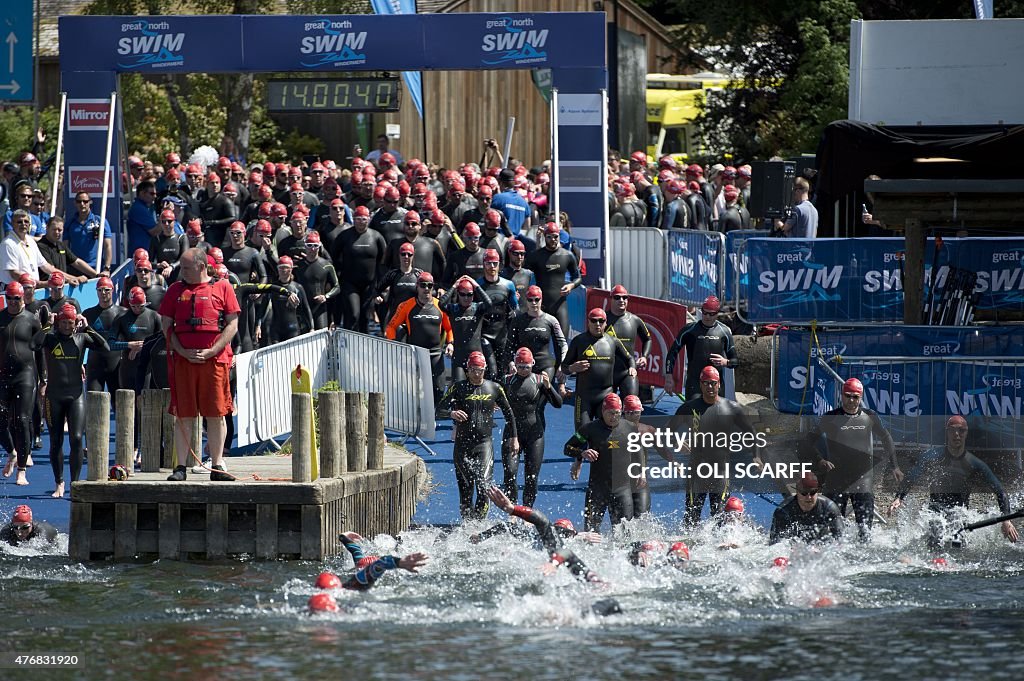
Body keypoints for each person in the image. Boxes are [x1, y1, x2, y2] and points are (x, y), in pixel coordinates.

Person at [158, 248, 240, 482]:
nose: (180, 272)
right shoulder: (175, 290)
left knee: (216, 413)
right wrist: (182, 351)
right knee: (183, 414)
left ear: (202, 267)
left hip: (214, 361)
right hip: (183, 361)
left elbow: (232, 325)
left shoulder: (223, 287)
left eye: (185, 268)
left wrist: (212, 351)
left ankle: (217, 464)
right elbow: (166, 324)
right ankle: (180, 467)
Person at [889, 415, 1019, 544]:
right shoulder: (932, 457)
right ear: (947, 432)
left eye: (961, 430)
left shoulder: (974, 463)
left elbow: (1000, 491)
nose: (957, 434)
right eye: (952, 430)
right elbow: (912, 476)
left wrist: (1006, 520)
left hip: (959, 515)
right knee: (935, 537)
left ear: (966, 433)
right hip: (936, 513)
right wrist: (899, 497)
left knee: (958, 545)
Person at [801, 377, 899, 540]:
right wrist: (820, 460)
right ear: (842, 395)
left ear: (861, 397)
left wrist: (894, 465)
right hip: (836, 480)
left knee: (865, 533)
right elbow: (808, 442)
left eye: (855, 396)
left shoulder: (870, 416)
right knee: (833, 533)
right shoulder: (831, 417)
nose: (851, 400)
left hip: (863, 480)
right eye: (848, 395)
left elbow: (886, 438)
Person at [34, 303, 108, 497]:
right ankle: (59, 482)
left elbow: (105, 346)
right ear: (59, 322)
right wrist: (47, 325)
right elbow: (33, 344)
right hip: (54, 396)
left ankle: (75, 483)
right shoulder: (50, 338)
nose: (68, 326)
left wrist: (88, 326)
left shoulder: (81, 338)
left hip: (76, 396)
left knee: (76, 438)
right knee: (56, 441)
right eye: (64, 322)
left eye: (71, 322)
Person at [674, 365, 761, 525]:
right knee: (691, 519)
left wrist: (756, 456)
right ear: (700, 384)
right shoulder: (689, 407)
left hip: (720, 472)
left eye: (713, 383)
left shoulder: (731, 407)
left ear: (719, 384)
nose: (709, 386)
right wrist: (679, 443)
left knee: (721, 518)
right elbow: (667, 432)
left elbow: (751, 431)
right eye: (706, 383)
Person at [437, 351, 518, 519]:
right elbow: (439, 409)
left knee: (484, 487)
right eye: (473, 369)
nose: (476, 373)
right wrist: (452, 414)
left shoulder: (494, 388)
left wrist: (514, 438)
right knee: (466, 491)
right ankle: (467, 527)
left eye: (479, 370)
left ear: (485, 370)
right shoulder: (458, 387)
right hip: (462, 445)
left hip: (484, 444)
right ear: (467, 370)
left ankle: (479, 526)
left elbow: (509, 414)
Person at [484, 486, 606, 585]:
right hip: (541, 558)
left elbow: (509, 526)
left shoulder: (535, 535)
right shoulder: (561, 537)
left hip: (530, 554)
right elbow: (564, 547)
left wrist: (512, 509)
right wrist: (578, 535)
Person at [564, 393, 639, 531]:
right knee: (591, 534)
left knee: (625, 536)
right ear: (603, 411)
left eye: (617, 413)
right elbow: (567, 448)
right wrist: (581, 453)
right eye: (610, 413)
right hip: (597, 489)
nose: (614, 417)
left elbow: (639, 453)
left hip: (622, 490)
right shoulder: (590, 429)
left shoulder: (630, 428)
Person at [502, 347, 562, 506]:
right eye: (520, 367)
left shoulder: (540, 381)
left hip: (535, 435)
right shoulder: (507, 381)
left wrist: (549, 387)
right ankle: (513, 509)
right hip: (512, 433)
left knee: (532, 476)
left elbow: (558, 404)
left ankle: (527, 510)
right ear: (515, 365)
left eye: (527, 367)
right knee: (510, 473)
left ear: (533, 364)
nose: (523, 370)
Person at [561, 308, 635, 430]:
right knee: (582, 435)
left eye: (601, 321)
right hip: (584, 397)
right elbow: (564, 367)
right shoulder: (579, 341)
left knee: (608, 434)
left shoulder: (613, 341)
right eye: (594, 321)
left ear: (606, 323)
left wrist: (632, 368)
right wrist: (572, 368)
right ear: (588, 322)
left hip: (605, 395)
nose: (597, 324)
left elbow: (629, 358)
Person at [385, 272, 453, 404]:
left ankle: (435, 420)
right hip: (415, 354)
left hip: (435, 354)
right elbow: (391, 327)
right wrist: (393, 343)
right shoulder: (406, 305)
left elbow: (449, 328)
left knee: (439, 390)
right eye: (423, 285)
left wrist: (450, 343)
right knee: (414, 392)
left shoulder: (440, 306)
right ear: (417, 287)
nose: (426, 288)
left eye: (429, 285)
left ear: (433, 287)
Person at [0, 282, 43, 484]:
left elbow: (41, 350)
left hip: (25, 375)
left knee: (22, 420)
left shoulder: (31, 320)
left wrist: (44, 378)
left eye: (16, 299)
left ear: (22, 299)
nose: (13, 302)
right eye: (9, 298)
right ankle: (12, 452)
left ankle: (22, 469)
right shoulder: (0, 318)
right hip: (3, 375)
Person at [665, 295, 738, 400]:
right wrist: (668, 377)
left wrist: (725, 362)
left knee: (715, 415)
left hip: (716, 385)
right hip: (695, 384)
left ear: (717, 313)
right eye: (705, 312)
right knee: (694, 416)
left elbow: (735, 361)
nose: (707, 316)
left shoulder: (724, 331)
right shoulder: (689, 330)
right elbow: (672, 353)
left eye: (711, 314)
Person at [524, 222, 582, 340]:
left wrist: (571, 285)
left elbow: (578, 277)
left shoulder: (567, 255)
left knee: (562, 345)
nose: (553, 239)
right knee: (538, 345)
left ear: (559, 237)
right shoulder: (536, 255)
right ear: (544, 237)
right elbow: (522, 274)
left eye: (555, 236)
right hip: (541, 307)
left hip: (560, 307)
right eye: (549, 237)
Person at [504, 285, 567, 382]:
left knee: (544, 388)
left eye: (537, 299)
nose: (534, 303)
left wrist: (562, 364)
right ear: (526, 301)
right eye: (530, 300)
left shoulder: (551, 320)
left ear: (541, 300)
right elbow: (508, 346)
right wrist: (511, 363)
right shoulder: (518, 320)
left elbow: (563, 345)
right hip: (524, 366)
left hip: (545, 366)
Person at [438, 276, 492, 385]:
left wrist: (476, 285)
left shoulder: (478, 308)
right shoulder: (453, 309)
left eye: (469, 294)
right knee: (459, 389)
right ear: (458, 294)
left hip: (476, 356)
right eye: (462, 294)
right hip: (459, 357)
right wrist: (454, 285)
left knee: (477, 390)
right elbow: (441, 304)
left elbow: (489, 303)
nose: (466, 298)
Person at [605, 285, 651, 398]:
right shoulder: (602, 320)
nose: (621, 300)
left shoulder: (635, 320)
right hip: (606, 373)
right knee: (607, 410)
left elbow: (648, 339)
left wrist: (644, 356)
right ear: (611, 299)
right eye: (617, 297)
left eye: (625, 297)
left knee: (632, 404)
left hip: (627, 371)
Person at [769, 473, 844, 544]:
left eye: (812, 492)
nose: (808, 497)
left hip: (822, 546)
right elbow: (775, 544)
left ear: (818, 491)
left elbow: (841, 539)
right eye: (804, 493)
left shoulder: (828, 507)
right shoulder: (784, 511)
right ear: (797, 492)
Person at [1, 210, 59, 285]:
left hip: (31, 289)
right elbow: (14, 274)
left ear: (29, 224)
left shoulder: (31, 241)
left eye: (26, 221)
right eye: (19, 222)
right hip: (13, 293)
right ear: (12, 224)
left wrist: (67, 278)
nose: (23, 224)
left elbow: (45, 266)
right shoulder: (8, 244)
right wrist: (41, 284)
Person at [622, 394, 650, 515]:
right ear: (623, 413)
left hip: (640, 481)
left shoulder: (647, 430)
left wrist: (674, 463)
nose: (632, 416)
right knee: (622, 523)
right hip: (621, 484)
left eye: (636, 413)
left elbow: (663, 449)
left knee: (642, 518)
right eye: (629, 413)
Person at [126, 180, 160, 255]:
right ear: (142, 193)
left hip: (142, 253)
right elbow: (154, 231)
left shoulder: (146, 208)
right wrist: (164, 216)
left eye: (155, 194)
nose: (155, 196)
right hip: (139, 255)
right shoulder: (139, 209)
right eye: (151, 194)